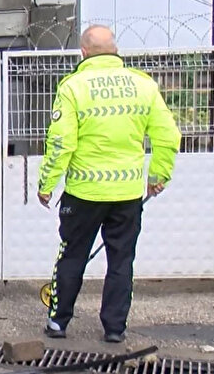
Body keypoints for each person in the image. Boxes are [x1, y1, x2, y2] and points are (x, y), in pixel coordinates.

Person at [37, 25, 181, 343]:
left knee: (72, 254)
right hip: (127, 194)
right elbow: (168, 134)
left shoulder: (73, 87)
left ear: (84, 52)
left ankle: (58, 323)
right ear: (115, 50)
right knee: (121, 260)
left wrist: (46, 183)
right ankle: (115, 329)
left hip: (83, 193)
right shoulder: (143, 85)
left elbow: (61, 142)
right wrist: (158, 176)